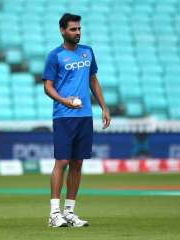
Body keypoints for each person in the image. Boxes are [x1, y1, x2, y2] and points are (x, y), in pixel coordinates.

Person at [42, 13, 110, 228]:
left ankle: (69, 212)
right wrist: (64, 101)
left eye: (79, 29)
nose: (77, 32)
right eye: (73, 29)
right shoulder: (55, 56)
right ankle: (54, 214)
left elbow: (93, 80)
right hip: (64, 116)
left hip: (84, 116)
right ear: (62, 31)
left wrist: (104, 107)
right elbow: (48, 86)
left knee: (78, 163)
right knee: (62, 161)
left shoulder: (87, 52)